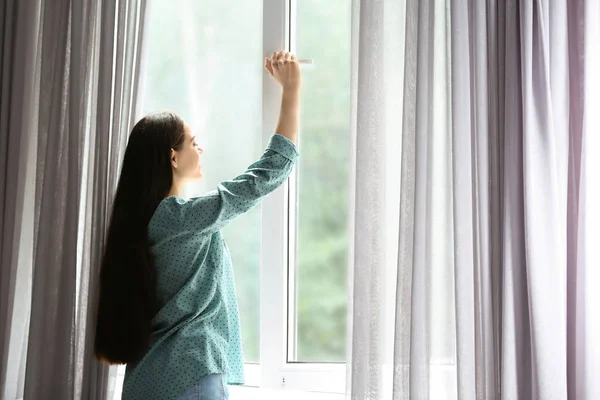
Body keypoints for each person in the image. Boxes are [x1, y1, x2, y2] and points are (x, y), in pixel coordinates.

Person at [94, 50, 302, 400]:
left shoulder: (138, 222)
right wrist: (292, 90)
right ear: (173, 157)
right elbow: (266, 175)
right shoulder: (181, 217)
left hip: (143, 379)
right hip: (191, 370)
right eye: (193, 142)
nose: (200, 149)